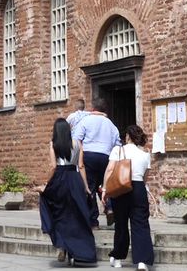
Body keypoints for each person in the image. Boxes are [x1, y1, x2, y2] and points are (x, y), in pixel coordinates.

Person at [39, 118, 96, 266]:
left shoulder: (54, 144)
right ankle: (77, 252)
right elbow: (81, 165)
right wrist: (85, 186)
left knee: (58, 214)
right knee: (76, 216)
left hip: (60, 180)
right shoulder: (78, 144)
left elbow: (53, 166)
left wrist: (46, 184)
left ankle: (62, 246)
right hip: (74, 179)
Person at [108, 125, 154, 270]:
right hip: (138, 188)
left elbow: (110, 170)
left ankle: (117, 259)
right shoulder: (146, 154)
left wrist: (105, 189)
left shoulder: (118, 150)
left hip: (121, 187)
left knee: (121, 224)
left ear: (127, 136)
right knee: (140, 224)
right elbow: (145, 178)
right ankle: (141, 261)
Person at [72, 98, 121, 228]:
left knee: (90, 188)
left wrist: (77, 160)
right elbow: (118, 144)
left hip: (88, 155)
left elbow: (76, 140)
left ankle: (94, 221)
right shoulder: (111, 125)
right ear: (104, 110)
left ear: (93, 108)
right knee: (103, 184)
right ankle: (110, 207)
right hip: (106, 156)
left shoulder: (85, 121)